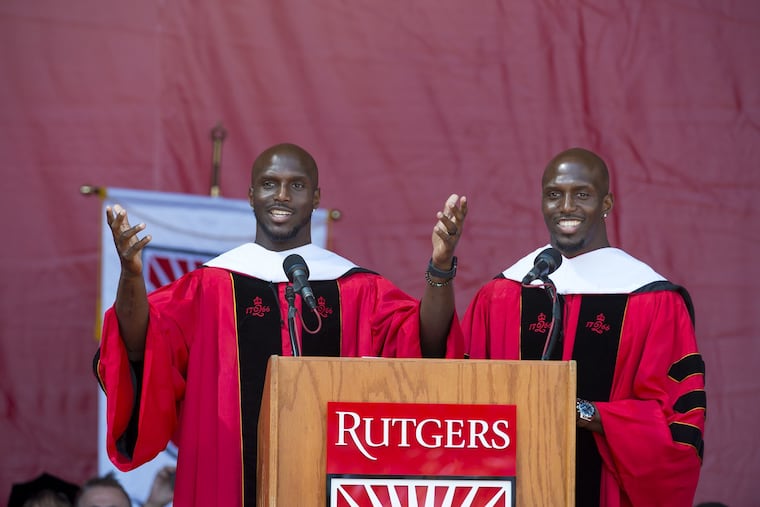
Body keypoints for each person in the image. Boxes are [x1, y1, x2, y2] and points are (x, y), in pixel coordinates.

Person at [95, 142, 467, 506]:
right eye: (271, 184)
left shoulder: (356, 288)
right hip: (227, 479)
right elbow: (139, 340)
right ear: (252, 194)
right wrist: (131, 276)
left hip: (329, 483)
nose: (283, 195)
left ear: (317, 197)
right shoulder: (208, 288)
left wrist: (440, 268)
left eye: (298, 185)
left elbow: (426, 346)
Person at [462, 147, 705, 507]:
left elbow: (677, 423)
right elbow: (462, 394)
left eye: (582, 195)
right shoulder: (504, 294)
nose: (566, 206)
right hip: (515, 488)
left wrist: (586, 413)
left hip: (607, 491)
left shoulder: (653, 300)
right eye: (554, 195)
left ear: (606, 203)